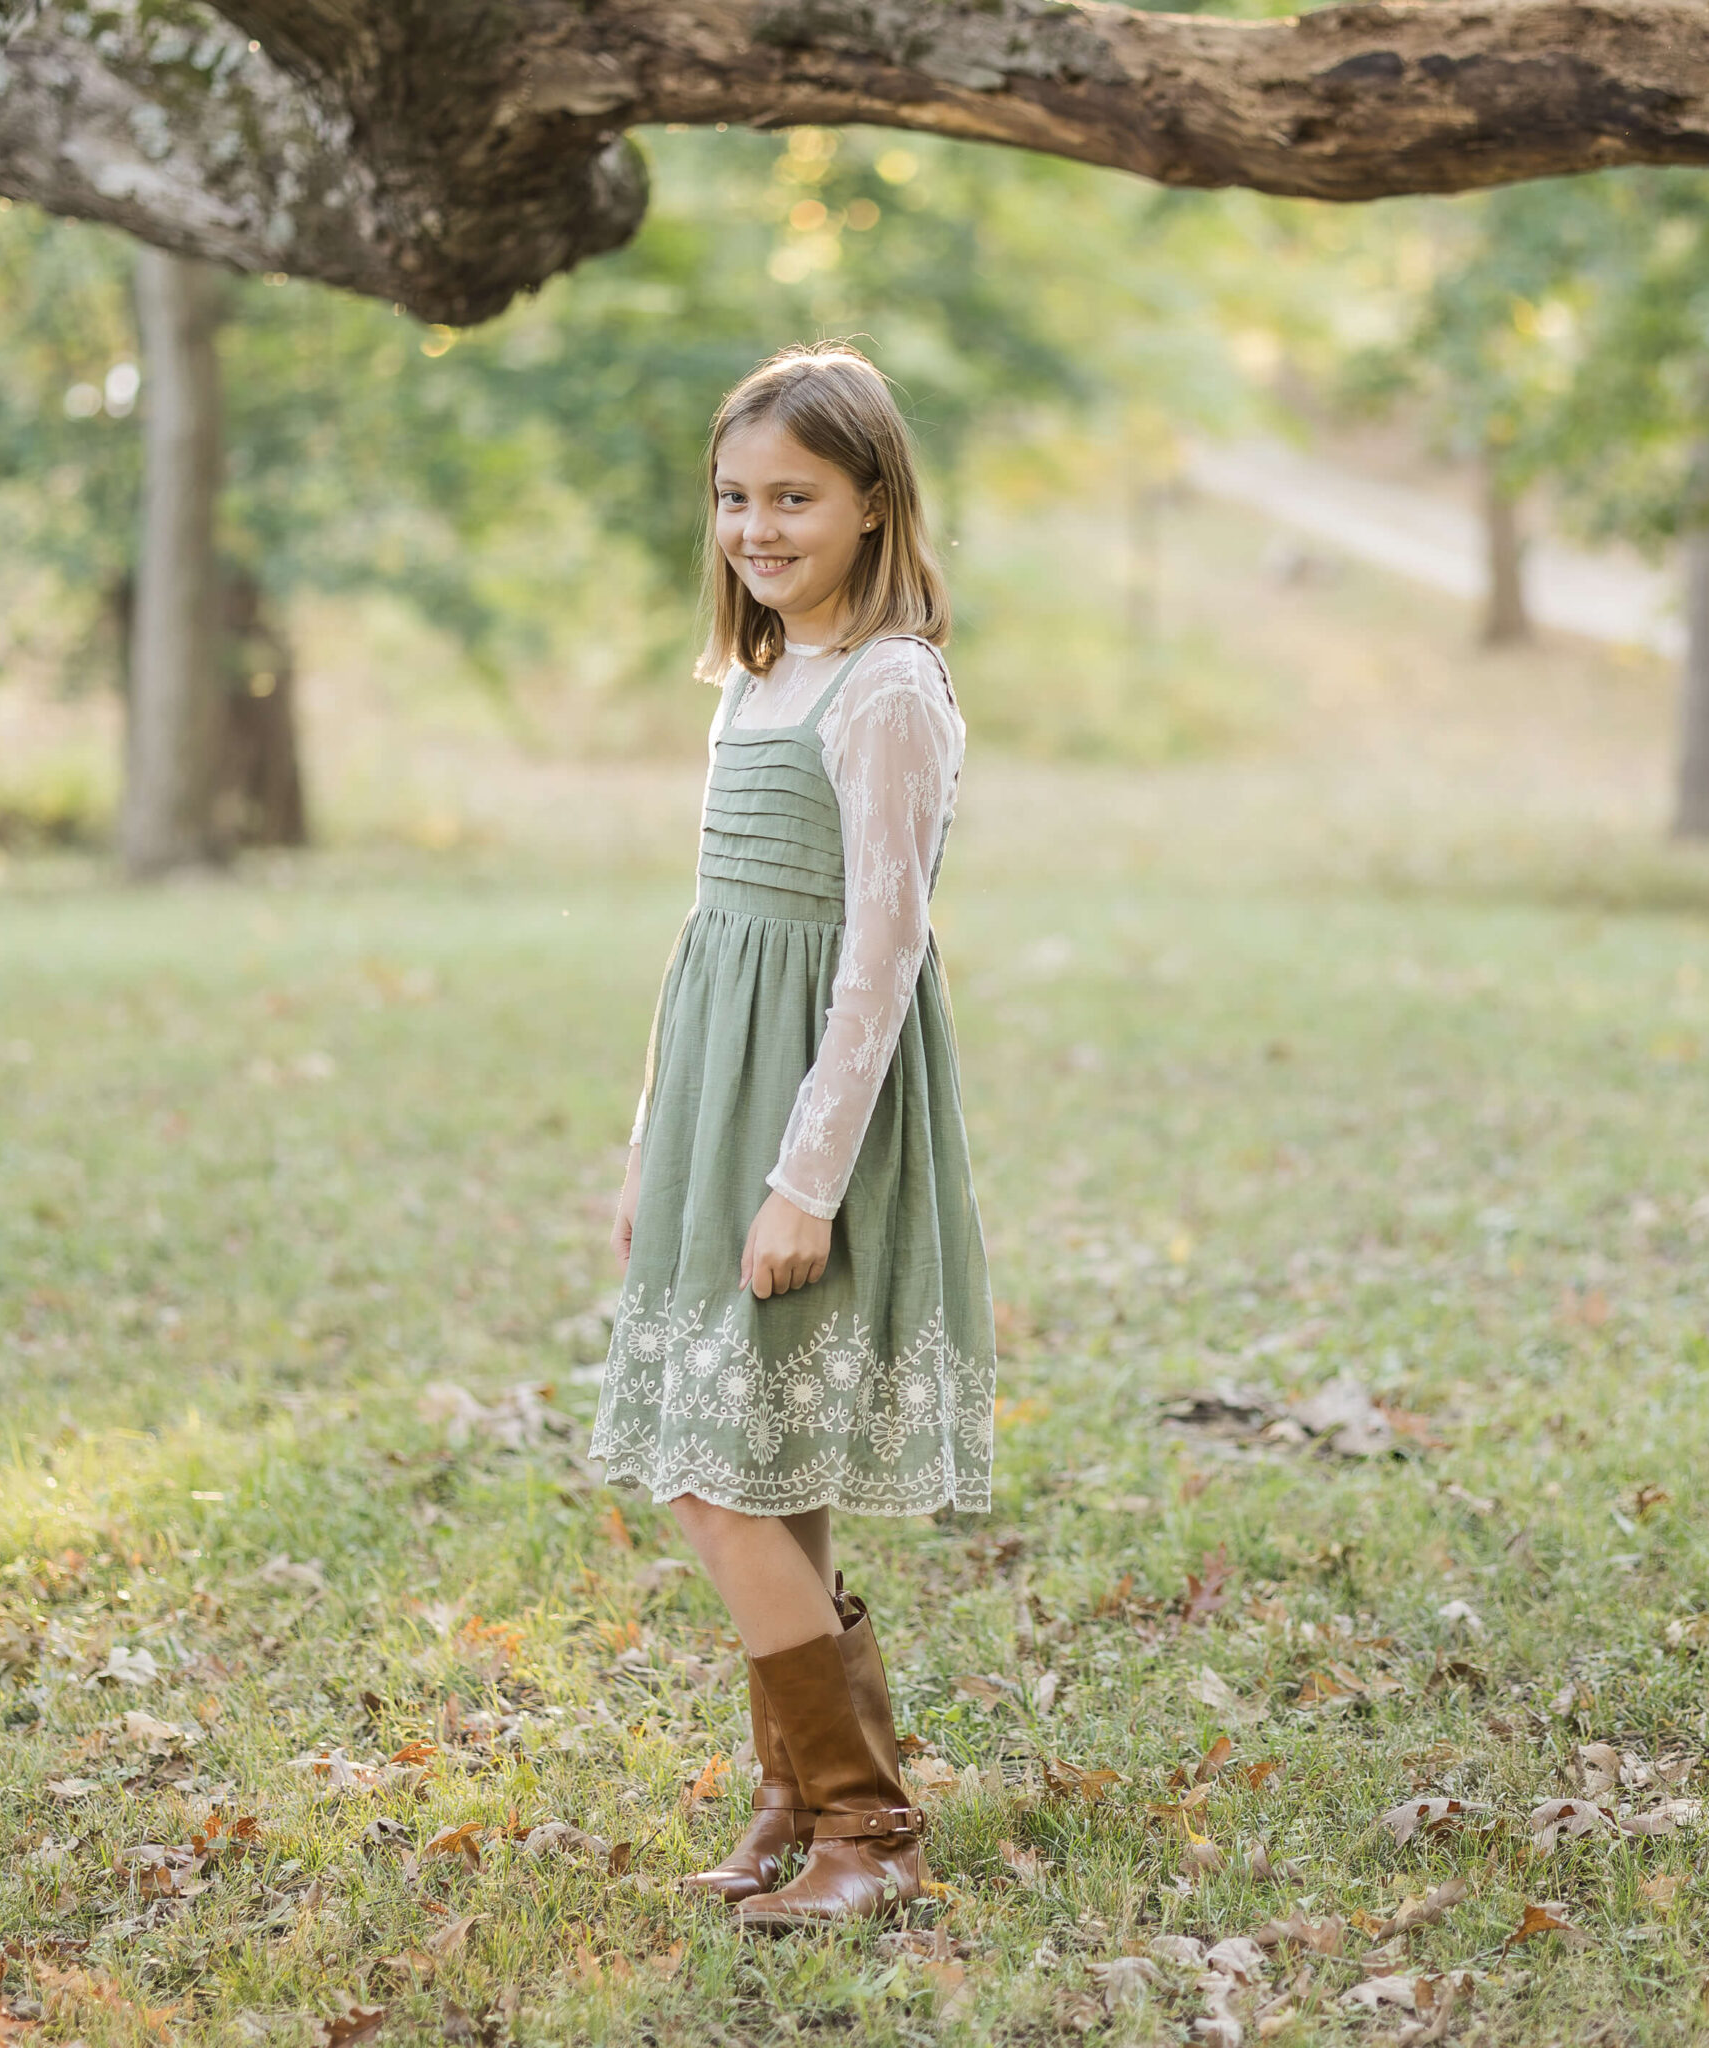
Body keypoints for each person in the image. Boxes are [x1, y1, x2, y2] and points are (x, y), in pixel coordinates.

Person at [590, 343, 995, 1929]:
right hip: (717, 1092)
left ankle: (867, 1831)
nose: (757, 526)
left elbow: (880, 950)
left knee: (712, 1479)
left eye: (794, 497)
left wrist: (803, 1182)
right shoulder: (760, 673)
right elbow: (707, 939)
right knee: (757, 1457)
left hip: (811, 1111)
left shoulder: (890, 685)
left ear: (873, 497)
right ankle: (793, 1794)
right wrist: (649, 1148)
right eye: (735, 497)